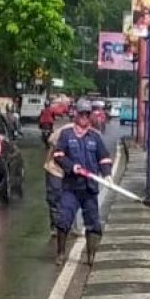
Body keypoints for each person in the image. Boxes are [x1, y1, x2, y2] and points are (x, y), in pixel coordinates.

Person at [51, 99, 112, 266]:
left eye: (87, 114)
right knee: (64, 219)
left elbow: (104, 158)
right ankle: (61, 254)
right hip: (71, 187)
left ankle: (91, 255)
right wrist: (72, 167)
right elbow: (58, 156)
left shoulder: (95, 137)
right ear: (76, 114)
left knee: (93, 223)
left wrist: (107, 174)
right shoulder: (67, 135)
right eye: (81, 113)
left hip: (89, 188)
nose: (84, 117)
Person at [43, 120, 76, 238]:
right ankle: (55, 227)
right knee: (55, 198)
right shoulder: (66, 130)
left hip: (72, 172)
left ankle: (70, 226)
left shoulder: (90, 134)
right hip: (55, 169)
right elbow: (51, 140)